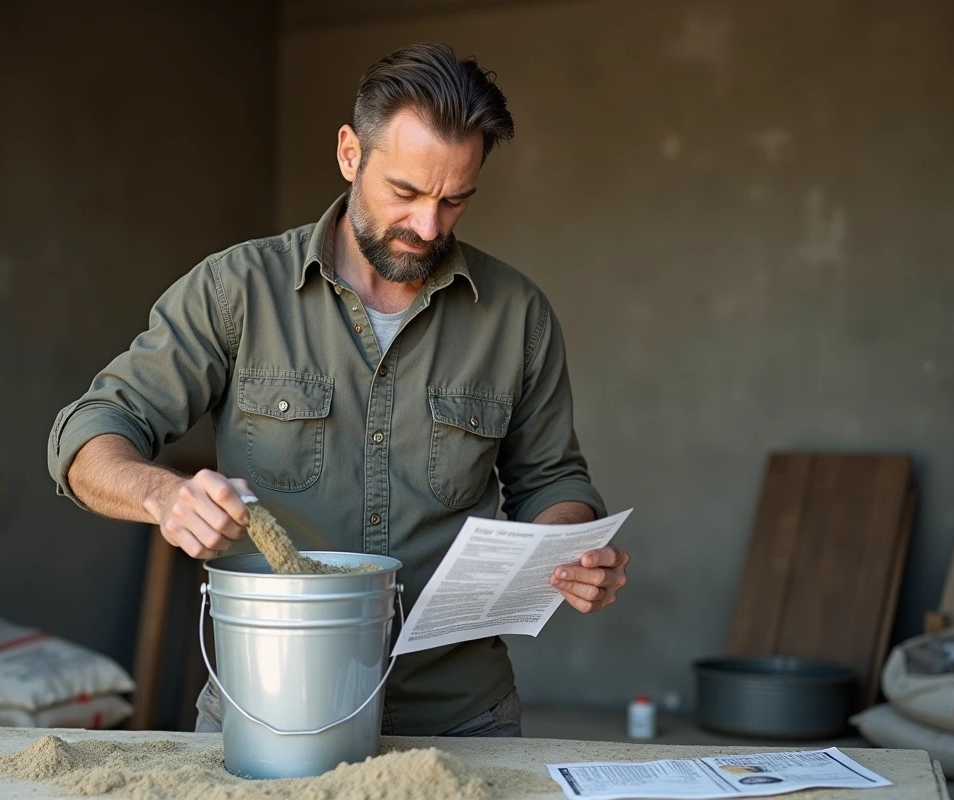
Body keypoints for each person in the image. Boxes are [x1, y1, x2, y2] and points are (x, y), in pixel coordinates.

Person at [46, 42, 629, 738]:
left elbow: (553, 478)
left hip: (460, 716)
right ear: (350, 154)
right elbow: (88, 434)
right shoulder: (237, 291)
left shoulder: (517, 315)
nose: (427, 226)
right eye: (406, 193)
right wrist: (163, 497)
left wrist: (567, 548)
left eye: (455, 200)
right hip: (266, 708)